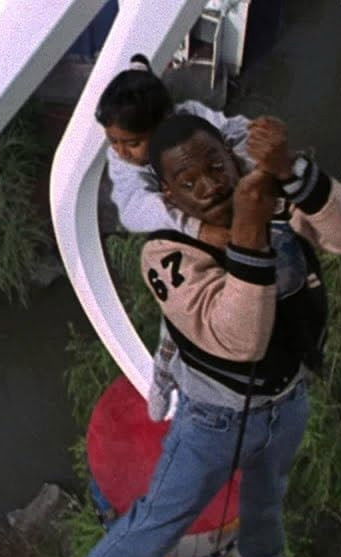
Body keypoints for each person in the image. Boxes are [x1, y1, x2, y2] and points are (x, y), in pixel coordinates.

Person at [60, 113, 341, 557]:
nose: (209, 186)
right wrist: (251, 233)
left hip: (287, 396)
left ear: (235, 161)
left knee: (266, 495)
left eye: (216, 166)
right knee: (161, 521)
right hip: (215, 417)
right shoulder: (167, 255)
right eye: (188, 182)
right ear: (170, 198)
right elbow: (239, 340)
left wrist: (293, 172)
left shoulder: (276, 205)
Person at [96, 54, 251, 421]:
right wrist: (196, 227)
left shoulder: (192, 120)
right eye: (114, 142)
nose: (120, 152)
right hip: (184, 236)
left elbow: (239, 131)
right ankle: (163, 381)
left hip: (228, 214)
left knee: (240, 297)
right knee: (179, 318)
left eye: (131, 142)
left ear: (165, 123)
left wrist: (244, 166)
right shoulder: (126, 161)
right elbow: (132, 209)